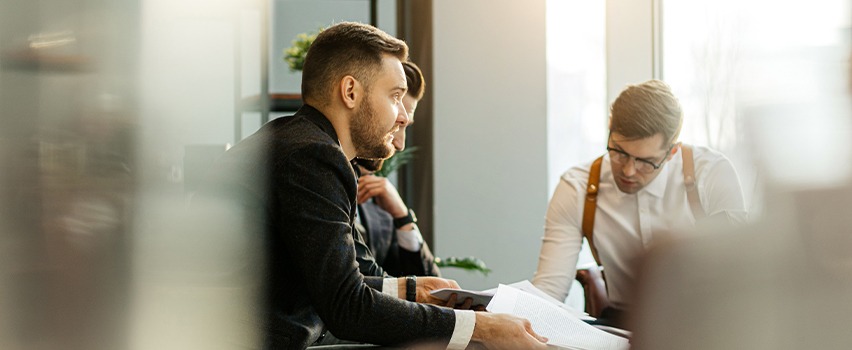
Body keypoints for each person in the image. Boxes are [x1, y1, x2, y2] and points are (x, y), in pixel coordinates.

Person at [196, 22, 548, 349]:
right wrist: (480, 327)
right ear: (350, 91)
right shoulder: (313, 156)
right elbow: (348, 308)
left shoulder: (293, 140)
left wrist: (411, 288)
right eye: (395, 96)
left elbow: (335, 281)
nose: (404, 116)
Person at [532, 79, 748, 328]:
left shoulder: (711, 174)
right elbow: (549, 291)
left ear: (672, 152)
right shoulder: (578, 186)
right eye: (619, 152)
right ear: (610, 129)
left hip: (702, 326)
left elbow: (739, 281)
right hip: (620, 329)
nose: (629, 170)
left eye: (646, 161)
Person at [353, 61, 440, 278]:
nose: (400, 144)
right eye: (397, 123)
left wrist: (403, 218)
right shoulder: (314, 180)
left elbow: (427, 285)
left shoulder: (378, 208)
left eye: (405, 126)